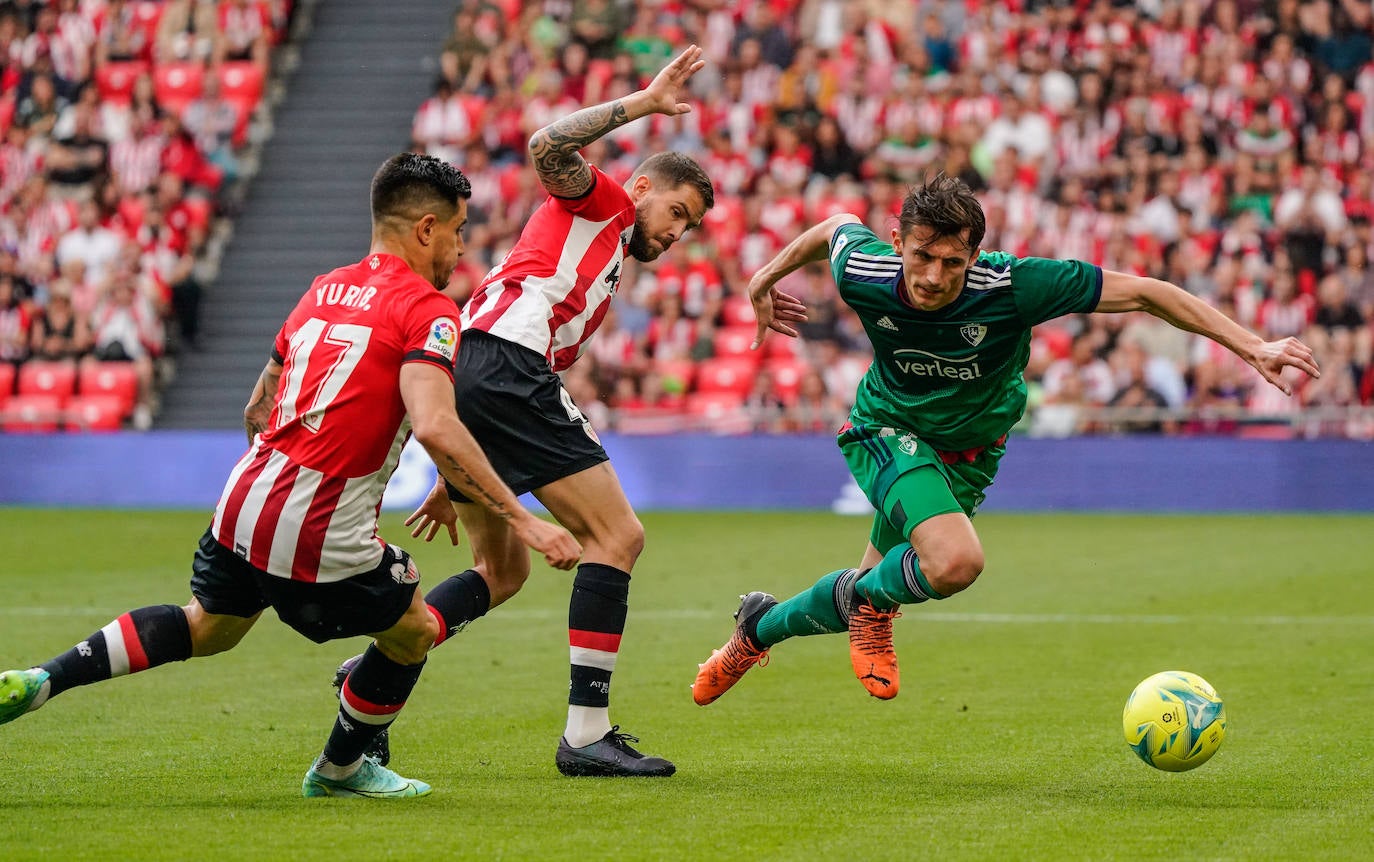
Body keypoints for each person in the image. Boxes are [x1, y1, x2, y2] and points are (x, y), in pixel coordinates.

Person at [0, 153, 581, 799]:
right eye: (457, 229)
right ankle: (339, 770)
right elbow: (437, 425)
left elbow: (257, 406)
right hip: (316, 521)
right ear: (425, 228)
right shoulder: (430, 310)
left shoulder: (323, 288)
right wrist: (523, 519)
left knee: (208, 626)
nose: (461, 246)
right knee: (413, 632)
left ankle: (42, 679)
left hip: (245, 495)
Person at [692, 174, 1321, 707]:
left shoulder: (1014, 286)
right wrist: (763, 279)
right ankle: (872, 610)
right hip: (887, 430)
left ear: (976, 254)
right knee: (954, 563)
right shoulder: (865, 270)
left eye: (953, 262)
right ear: (897, 242)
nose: (934, 277)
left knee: (873, 579)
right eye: (921, 256)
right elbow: (834, 226)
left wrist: (1252, 345)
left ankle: (757, 629)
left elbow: (1147, 293)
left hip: (971, 453)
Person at [393, 46, 720, 778]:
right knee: (618, 536)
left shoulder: (599, 260)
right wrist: (643, 102)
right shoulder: (604, 203)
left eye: (690, 226)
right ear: (641, 187)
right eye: (676, 212)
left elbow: (485, 375)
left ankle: (375, 671)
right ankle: (585, 734)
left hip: (473, 371)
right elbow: (546, 145)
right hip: (508, 365)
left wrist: (454, 471)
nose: (677, 232)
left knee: (499, 570)